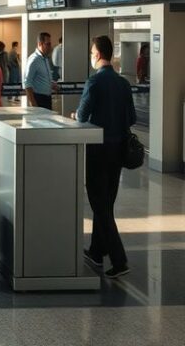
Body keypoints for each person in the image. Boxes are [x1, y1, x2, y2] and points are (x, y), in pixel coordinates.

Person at [73, 35, 136, 279]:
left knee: (99, 204)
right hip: (118, 150)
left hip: (98, 151)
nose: (91, 55)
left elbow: (81, 116)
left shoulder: (95, 82)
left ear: (97, 54)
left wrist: (78, 114)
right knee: (106, 201)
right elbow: (130, 118)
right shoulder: (123, 83)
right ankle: (96, 252)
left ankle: (119, 260)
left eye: (91, 52)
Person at [24, 32, 58, 110]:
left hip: (47, 99)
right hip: (39, 99)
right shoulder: (34, 60)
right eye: (48, 44)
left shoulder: (45, 58)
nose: (50, 47)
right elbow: (27, 83)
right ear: (40, 44)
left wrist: (51, 84)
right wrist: (34, 105)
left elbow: (41, 77)